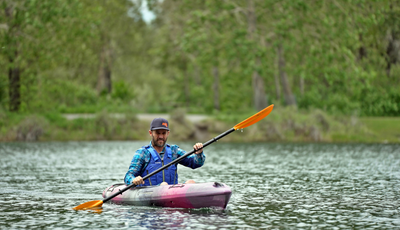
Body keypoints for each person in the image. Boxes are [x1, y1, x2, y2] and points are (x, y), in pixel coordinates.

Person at [124, 117, 205, 186]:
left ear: (168, 133)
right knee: (164, 185)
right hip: (150, 193)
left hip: (172, 193)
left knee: (191, 182)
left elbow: (195, 163)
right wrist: (134, 179)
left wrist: (199, 153)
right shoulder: (142, 153)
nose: (161, 136)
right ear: (150, 133)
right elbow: (128, 176)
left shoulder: (174, 151)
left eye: (163, 133)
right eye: (157, 133)